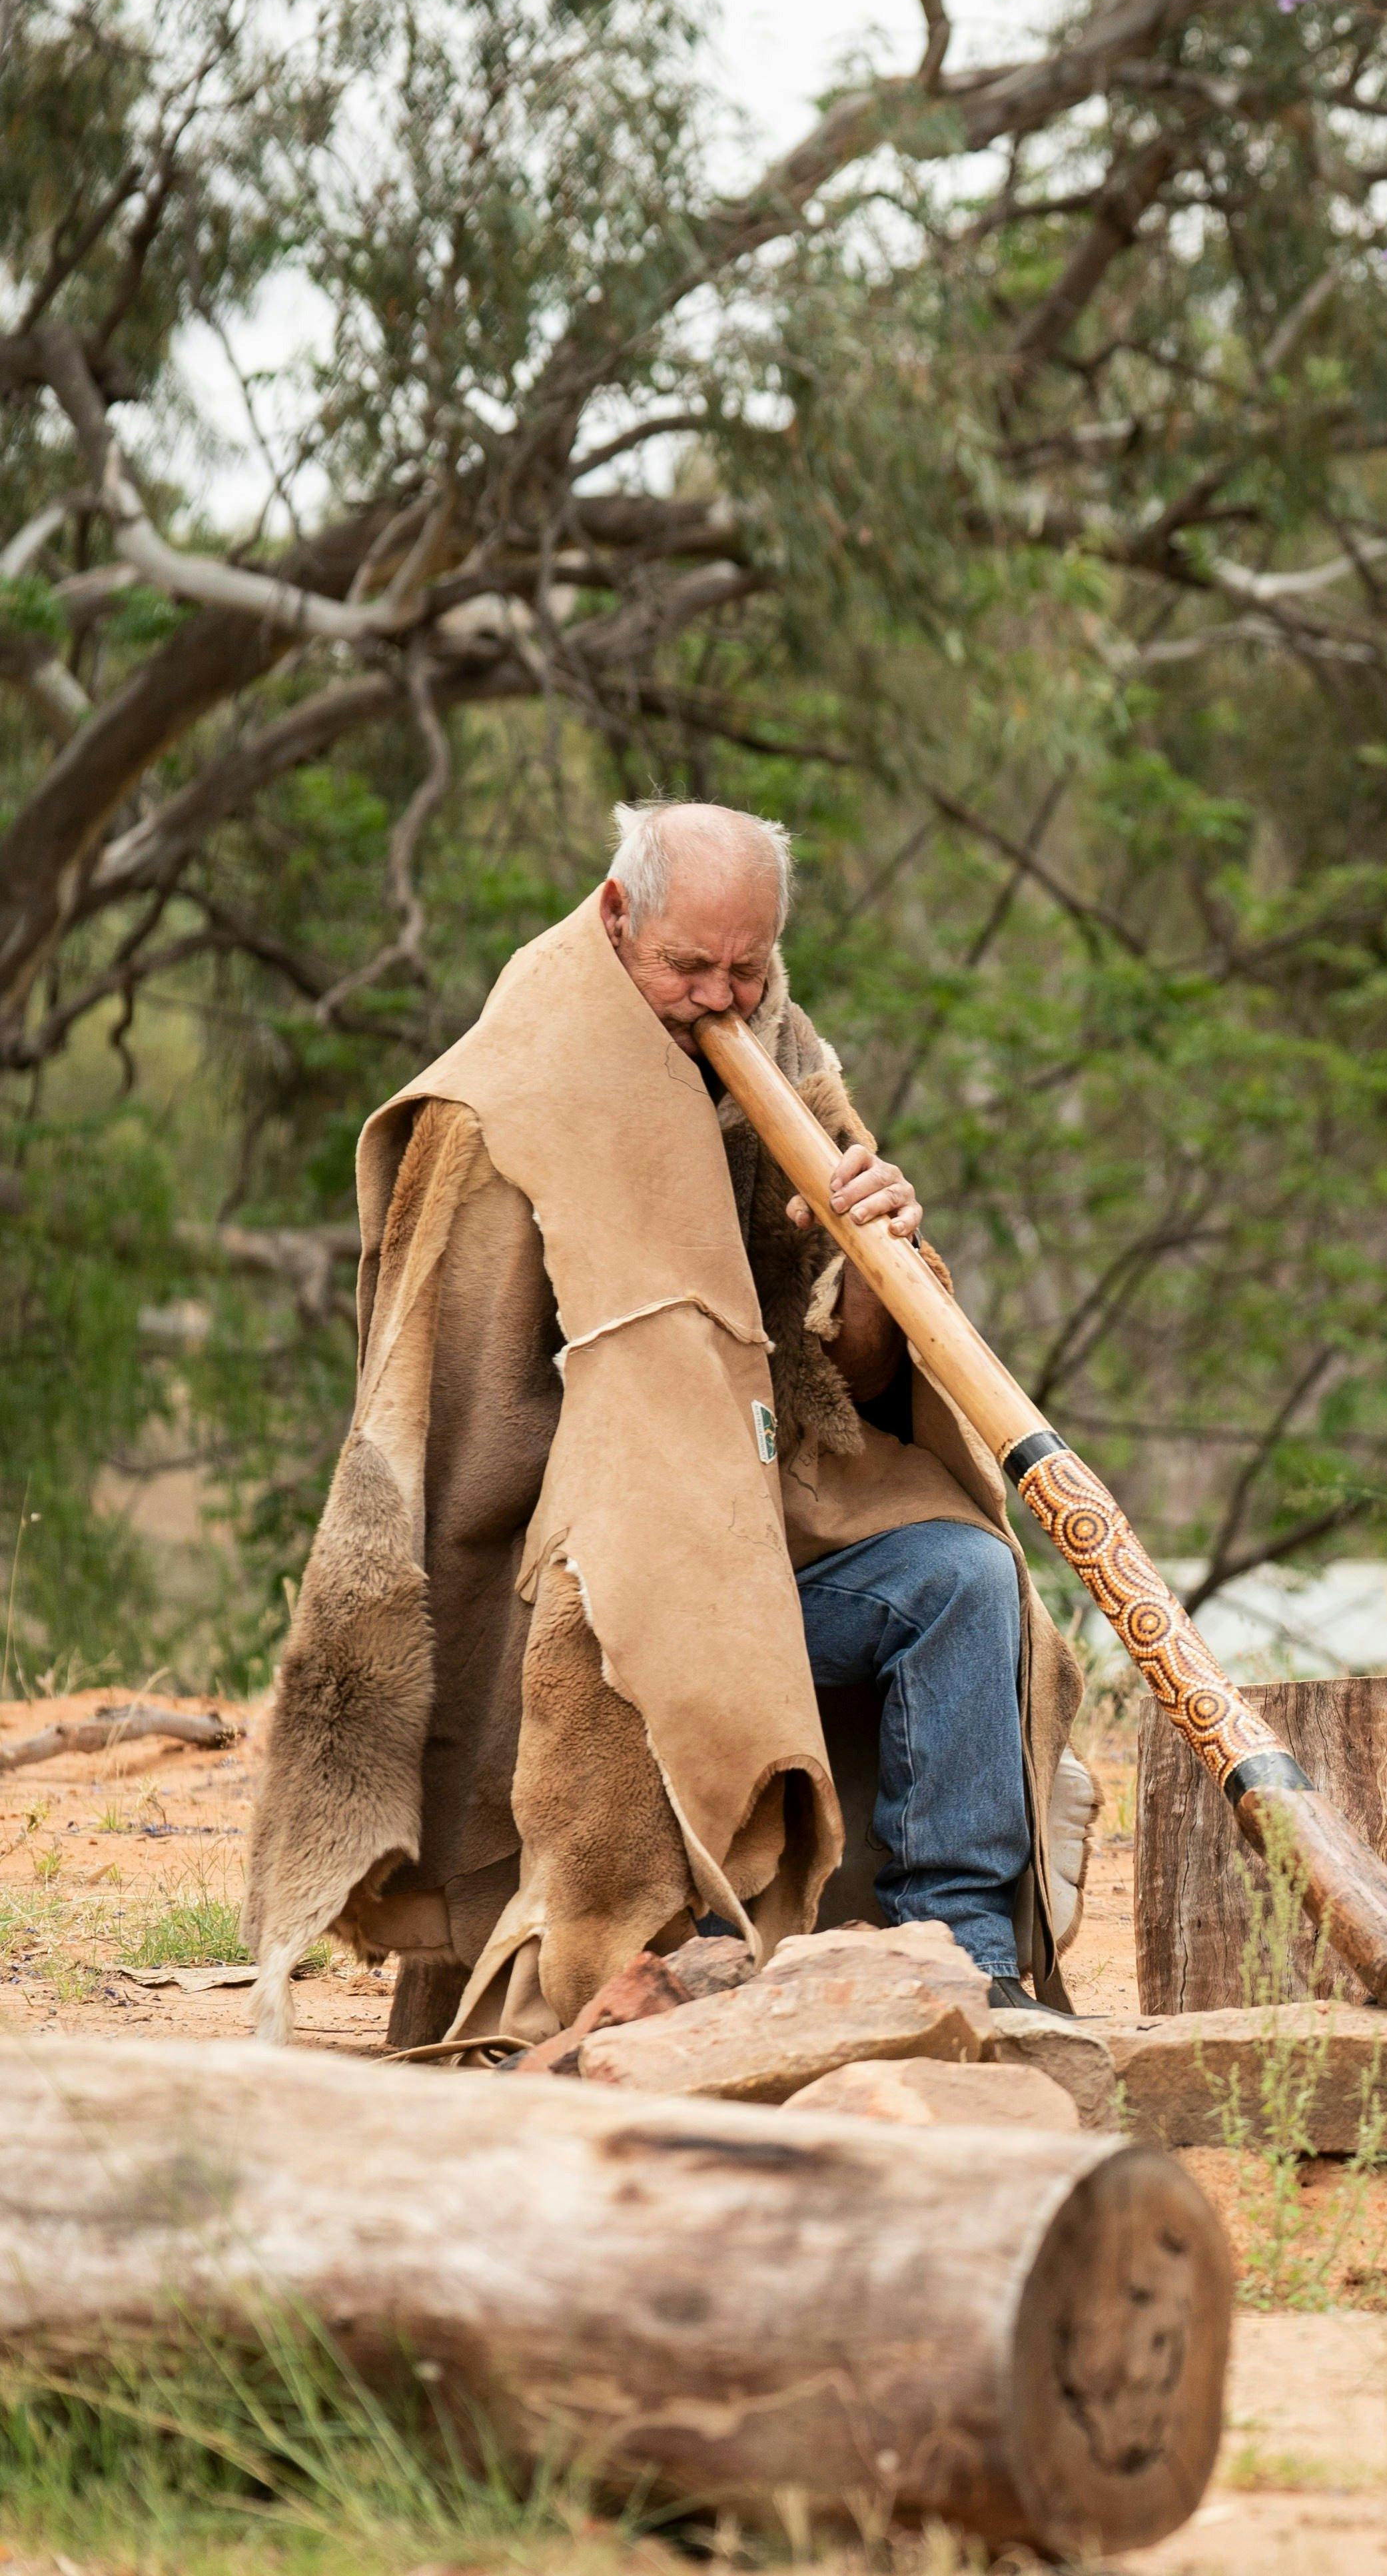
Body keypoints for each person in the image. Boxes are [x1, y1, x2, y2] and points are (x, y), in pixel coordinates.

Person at [244, 803, 1091, 2049]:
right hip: (583, 1590)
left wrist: (871, 1267)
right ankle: (639, 1969)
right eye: (689, 968)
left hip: (767, 1547)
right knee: (629, 1635)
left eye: (748, 968)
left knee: (961, 1576)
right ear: (615, 915)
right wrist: (653, 1483)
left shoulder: (786, 1058)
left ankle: (959, 1960)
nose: (720, 998)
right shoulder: (506, 1095)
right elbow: (451, 1424)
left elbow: (851, 1389)